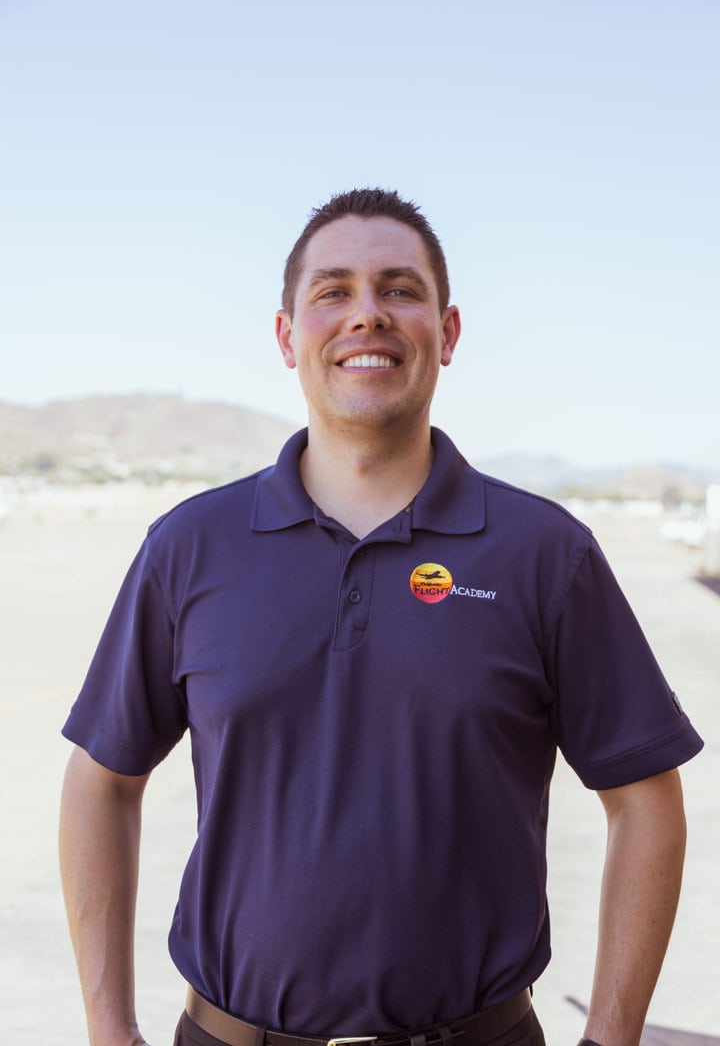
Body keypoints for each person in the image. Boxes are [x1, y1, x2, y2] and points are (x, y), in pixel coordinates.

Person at [59, 188, 703, 1046]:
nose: (367, 315)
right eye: (333, 292)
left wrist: (612, 1037)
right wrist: (110, 1029)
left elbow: (647, 800)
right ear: (289, 337)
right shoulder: (189, 547)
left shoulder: (545, 553)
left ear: (449, 330)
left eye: (400, 289)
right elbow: (101, 781)